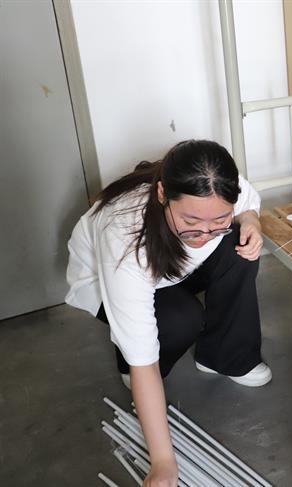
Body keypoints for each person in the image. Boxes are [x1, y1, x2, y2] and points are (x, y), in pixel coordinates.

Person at [66, 139, 271, 486]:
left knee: (239, 243)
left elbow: (246, 206)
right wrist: (162, 462)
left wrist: (250, 223)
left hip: (176, 268)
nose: (205, 234)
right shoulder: (124, 238)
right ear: (163, 194)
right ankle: (125, 360)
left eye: (218, 219)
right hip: (109, 282)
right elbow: (144, 362)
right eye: (191, 220)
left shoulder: (217, 181)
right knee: (179, 321)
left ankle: (225, 356)